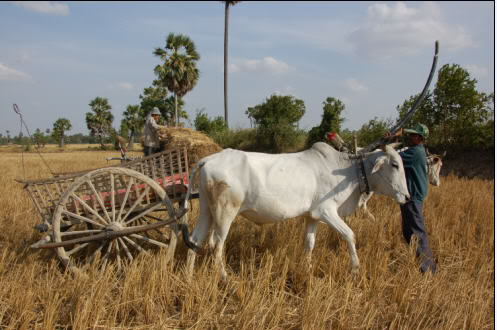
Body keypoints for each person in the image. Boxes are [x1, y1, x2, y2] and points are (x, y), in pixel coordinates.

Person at [388, 123, 436, 274]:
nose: (410, 137)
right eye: (409, 134)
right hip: (410, 197)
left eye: (413, 135)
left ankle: (428, 270)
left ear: (420, 138)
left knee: (417, 233)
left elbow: (392, 158)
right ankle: (419, 264)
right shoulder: (416, 150)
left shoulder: (415, 152)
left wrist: (392, 139)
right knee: (408, 232)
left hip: (413, 197)